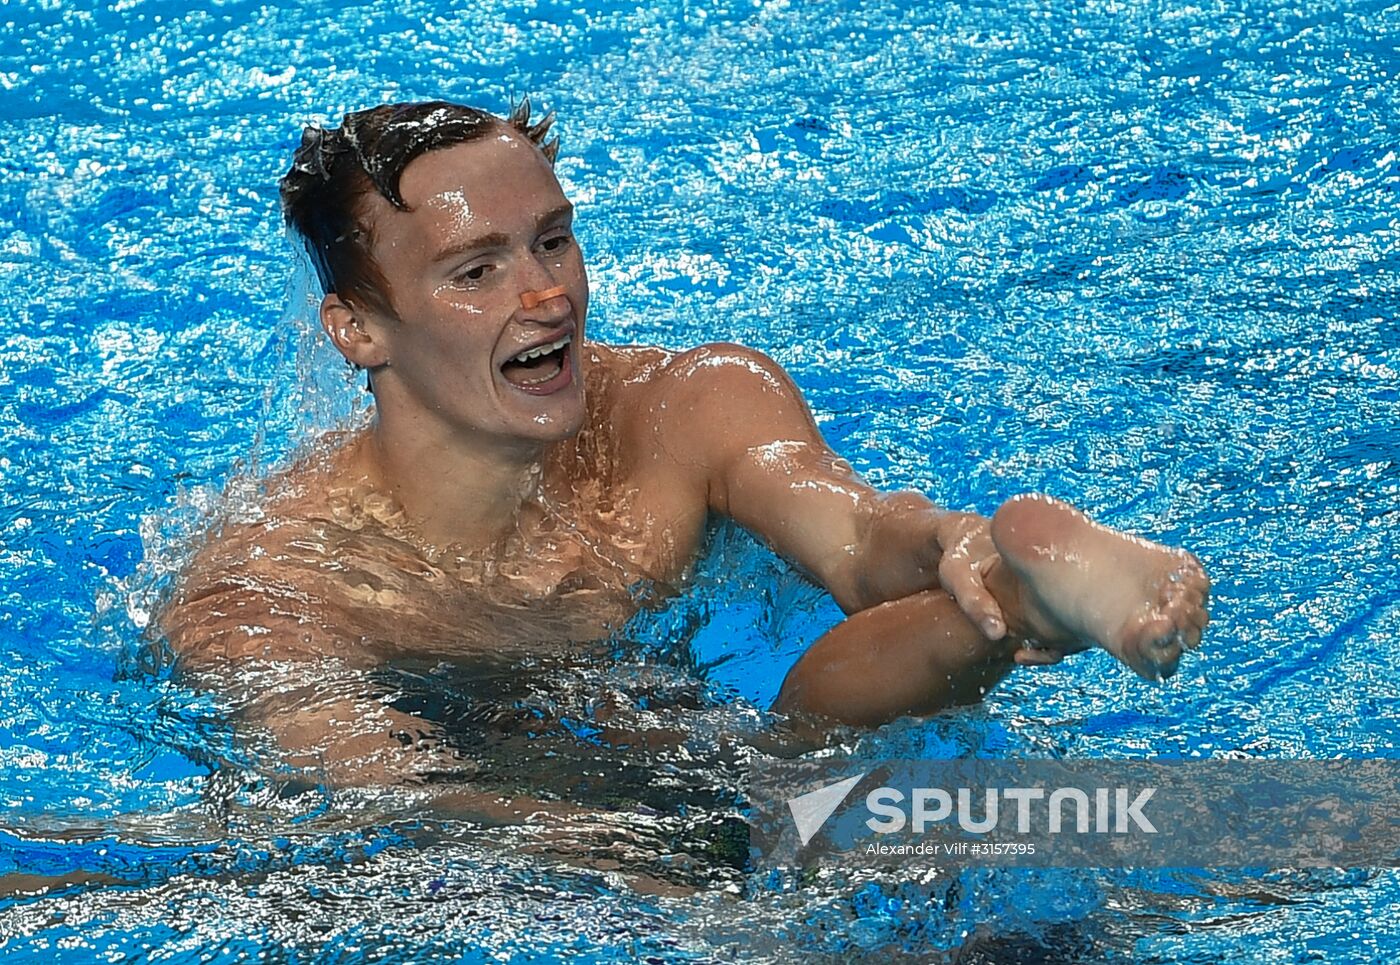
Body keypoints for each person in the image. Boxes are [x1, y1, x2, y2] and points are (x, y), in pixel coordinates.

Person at [159, 99, 1209, 788]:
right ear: (358, 327)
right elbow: (393, 799)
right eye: (475, 270)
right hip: (501, 795)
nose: (546, 294)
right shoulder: (273, 589)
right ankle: (1014, 611)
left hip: (720, 757)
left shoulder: (686, 402)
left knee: (800, 736)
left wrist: (946, 537)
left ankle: (1009, 587)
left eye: (553, 240)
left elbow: (853, 537)